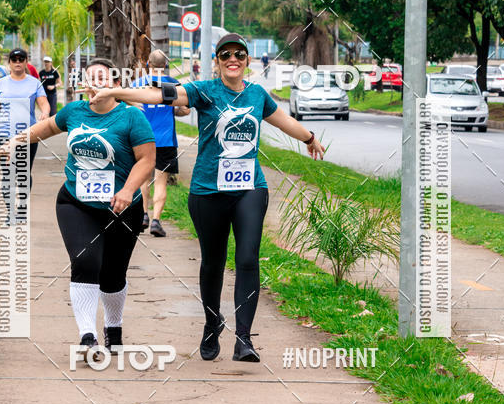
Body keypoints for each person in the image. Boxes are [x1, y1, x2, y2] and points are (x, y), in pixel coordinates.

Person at [86, 33, 325, 363]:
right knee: (213, 263)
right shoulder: (204, 90)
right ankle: (213, 323)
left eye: (240, 54)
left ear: (247, 60)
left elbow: (283, 121)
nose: (233, 59)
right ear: (216, 61)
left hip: (249, 189)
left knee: (247, 259)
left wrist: (310, 137)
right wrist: (114, 91)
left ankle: (244, 338)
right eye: (226, 54)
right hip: (207, 191)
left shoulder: (257, 95)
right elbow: (158, 95)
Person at [0, 57, 155, 357]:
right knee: (86, 261)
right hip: (76, 202)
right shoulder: (74, 112)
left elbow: (147, 161)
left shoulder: (133, 118)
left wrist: (127, 190)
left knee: (113, 275)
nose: (95, 83)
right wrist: (12, 143)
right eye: (90, 78)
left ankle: (114, 327)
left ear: (115, 84)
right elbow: (43, 129)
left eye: (102, 78)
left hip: (122, 207)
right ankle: (88, 336)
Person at [132, 50, 190, 236]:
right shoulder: (173, 84)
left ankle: (143, 216)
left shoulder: (137, 84)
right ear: (165, 65)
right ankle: (156, 221)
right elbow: (184, 110)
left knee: (142, 179)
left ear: (148, 64)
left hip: (142, 139)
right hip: (165, 140)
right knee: (160, 181)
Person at [0, 48, 49, 190]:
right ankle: (9, 212)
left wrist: (45, 113)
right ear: (10, 63)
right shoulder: (0, 83)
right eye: (14, 59)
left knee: (23, 174)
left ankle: (20, 209)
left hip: (28, 135)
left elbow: (44, 103)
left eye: (21, 59)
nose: (17, 62)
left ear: (26, 62)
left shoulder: (35, 83)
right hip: (3, 134)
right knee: (6, 174)